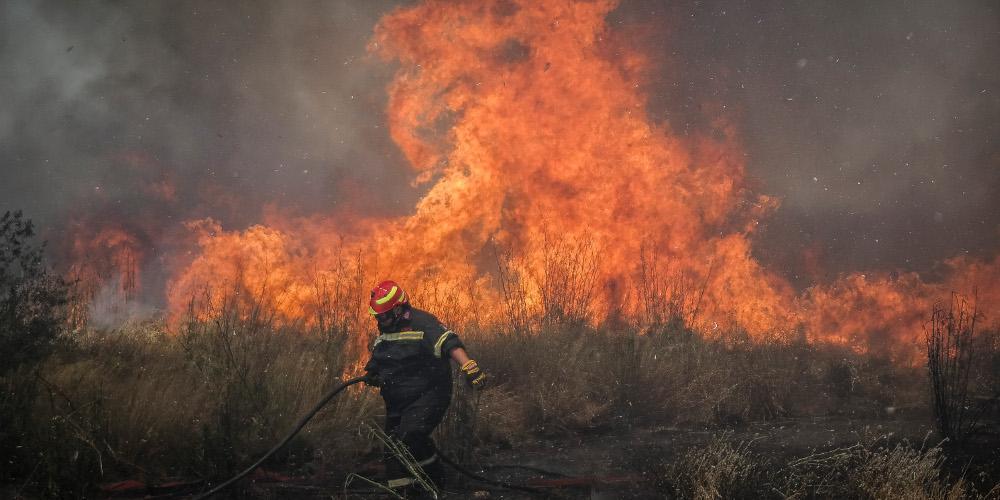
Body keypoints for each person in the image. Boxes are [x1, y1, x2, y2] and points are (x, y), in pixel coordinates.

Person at [362, 280, 487, 493]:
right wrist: (373, 372)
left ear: (399, 309)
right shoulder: (385, 328)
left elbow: (449, 343)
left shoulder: (423, 323)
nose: (379, 319)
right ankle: (403, 493)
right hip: (398, 399)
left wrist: (468, 365)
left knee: (410, 436)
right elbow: (382, 355)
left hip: (429, 395)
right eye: (377, 316)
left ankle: (434, 486)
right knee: (392, 448)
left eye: (382, 315)